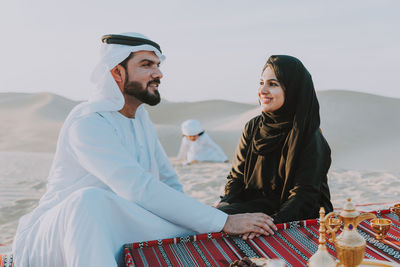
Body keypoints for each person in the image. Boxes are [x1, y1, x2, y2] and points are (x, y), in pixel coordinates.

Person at [12, 33, 276, 267]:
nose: (158, 74)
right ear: (116, 72)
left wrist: (207, 221)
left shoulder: (140, 119)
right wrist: (223, 222)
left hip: (125, 222)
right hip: (61, 233)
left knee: (199, 222)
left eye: (158, 65)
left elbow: (169, 181)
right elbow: (136, 187)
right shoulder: (88, 122)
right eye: (146, 65)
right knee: (88, 201)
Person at [216, 55, 333, 239]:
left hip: (298, 213)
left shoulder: (308, 134)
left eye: (272, 84)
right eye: (261, 82)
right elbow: (236, 179)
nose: (262, 90)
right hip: (257, 207)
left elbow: (304, 195)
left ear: (293, 89)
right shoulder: (253, 127)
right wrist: (224, 206)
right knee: (210, 219)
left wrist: (270, 224)